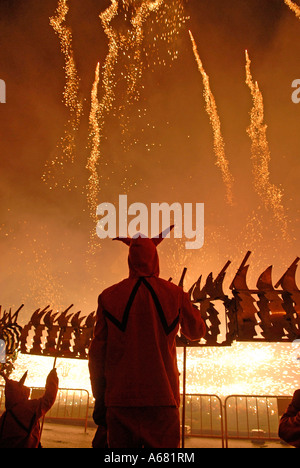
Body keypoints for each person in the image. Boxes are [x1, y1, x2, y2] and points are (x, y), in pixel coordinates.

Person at [89, 227, 206, 448]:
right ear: (155, 257)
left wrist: (100, 397)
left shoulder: (108, 297)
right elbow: (196, 332)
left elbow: (97, 356)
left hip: (119, 401)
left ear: (130, 259)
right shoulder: (175, 294)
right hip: (163, 399)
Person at [0, 368, 59, 448]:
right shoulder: (26, 409)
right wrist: (52, 378)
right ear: (19, 392)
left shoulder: (5, 417)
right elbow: (48, 399)